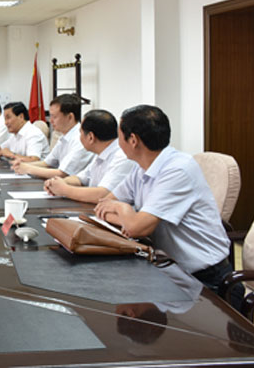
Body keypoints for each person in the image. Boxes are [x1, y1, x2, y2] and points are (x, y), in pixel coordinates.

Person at [94, 105, 235, 298]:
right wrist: (129, 219)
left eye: (119, 137)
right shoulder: (141, 167)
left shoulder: (178, 170)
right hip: (170, 270)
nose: (118, 143)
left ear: (133, 140)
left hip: (207, 280)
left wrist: (123, 209)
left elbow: (135, 227)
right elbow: (103, 205)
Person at [44, 109, 134, 203]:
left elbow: (103, 195)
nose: (79, 137)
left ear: (90, 137)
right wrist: (58, 182)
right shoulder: (101, 153)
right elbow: (81, 179)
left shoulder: (122, 157)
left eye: (80, 133)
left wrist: (64, 189)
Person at [12, 94, 93, 179]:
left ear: (70, 117)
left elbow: (62, 173)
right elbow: (47, 163)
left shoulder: (80, 139)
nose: (51, 121)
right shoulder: (64, 137)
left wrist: (28, 168)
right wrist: (23, 165)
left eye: (54, 117)